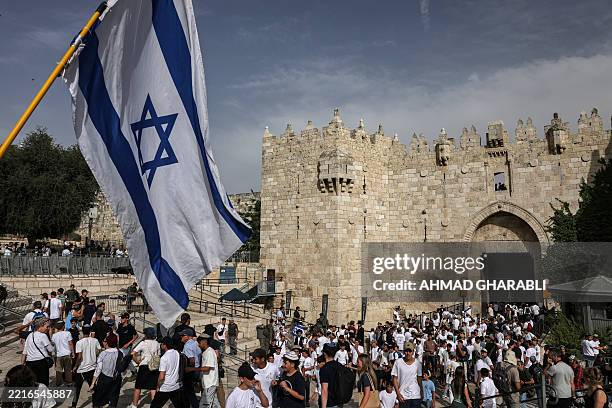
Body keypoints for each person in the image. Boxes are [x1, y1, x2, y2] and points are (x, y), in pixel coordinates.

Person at [129, 327, 160, 408]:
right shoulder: (157, 343)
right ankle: (154, 405)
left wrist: (137, 362)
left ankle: (135, 405)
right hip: (153, 366)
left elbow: (132, 353)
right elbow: (158, 355)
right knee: (153, 387)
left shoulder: (143, 343)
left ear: (146, 334)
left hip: (144, 366)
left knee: (138, 386)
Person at [72, 324, 101, 408]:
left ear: (82, 331)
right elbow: (99, 351)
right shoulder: (95, 340)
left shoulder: (79, 342)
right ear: (90, 332)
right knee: (93, 388)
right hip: (92, 367)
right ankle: (96, 405)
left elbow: (79, 357)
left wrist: (75, 367)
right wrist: (93, 355)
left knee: (77, 389)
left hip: (81, 369)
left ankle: (74, 406)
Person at [90, 333, 123, 408]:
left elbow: (98, 370)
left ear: (107, 342)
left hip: (104, 379)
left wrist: (93, 383)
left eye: (105, 341)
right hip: (116, 379)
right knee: (113, 399)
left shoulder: (103, 354)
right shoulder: (120, 353)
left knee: (98, 399)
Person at [150, 337, 184, 408]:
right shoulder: (176, 353)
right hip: (175, 386)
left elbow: (162, 377)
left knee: (154, 406)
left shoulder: (164, 358)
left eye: (162, 344)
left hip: (165, 387)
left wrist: (157, 386)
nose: (161, 345)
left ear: (165, 345)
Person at [21, 317, 53, 386]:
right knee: (43, 383)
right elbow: (50, 349)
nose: (48, 328)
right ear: (41, 325)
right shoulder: (43, 336)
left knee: (33, 382)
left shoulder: (30, 335)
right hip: (41, 363)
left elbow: (24, 351)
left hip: (29, 363)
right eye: (47, 327)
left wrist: (22, 364)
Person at [51, 321, 74, 386]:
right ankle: (69, 382)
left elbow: (53, 345)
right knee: (68, 369)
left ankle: (58, 383)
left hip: (58, 355)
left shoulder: (54, 335)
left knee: (58, 370)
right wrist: (73, 352)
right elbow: (70, 343)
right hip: (67, 354)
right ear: (63, 326)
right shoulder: (67, 333)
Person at [320, 344, 342, 408]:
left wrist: (323, 406)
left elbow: (324, 389)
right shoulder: (340, 365)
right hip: (340, 402)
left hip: (330, 403)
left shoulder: (324, 369)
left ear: (325, 354)